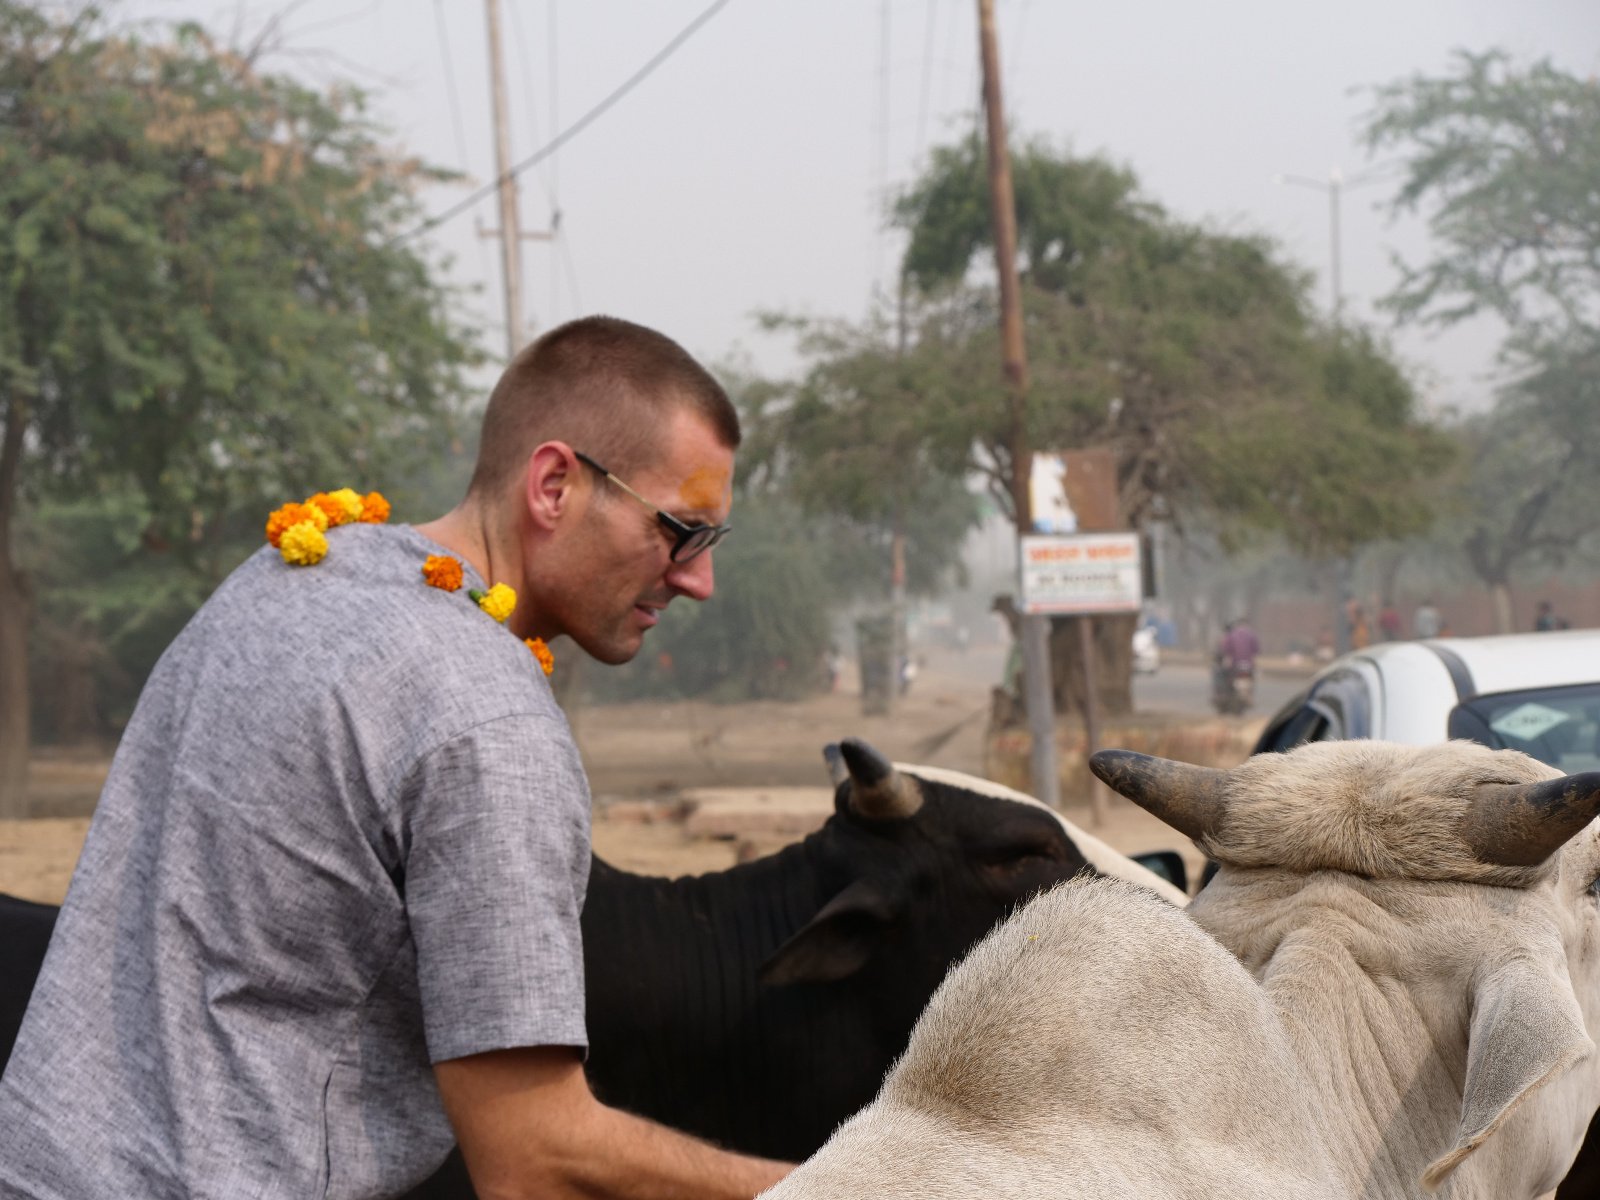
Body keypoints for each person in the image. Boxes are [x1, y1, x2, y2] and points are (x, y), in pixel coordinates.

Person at [0, 318, 791, 1198]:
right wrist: (849, 1188)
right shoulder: (487, 723)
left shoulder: (298, 565)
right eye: (681, 530)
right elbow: (534, 1161)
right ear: (556, 484)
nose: (697, 579)